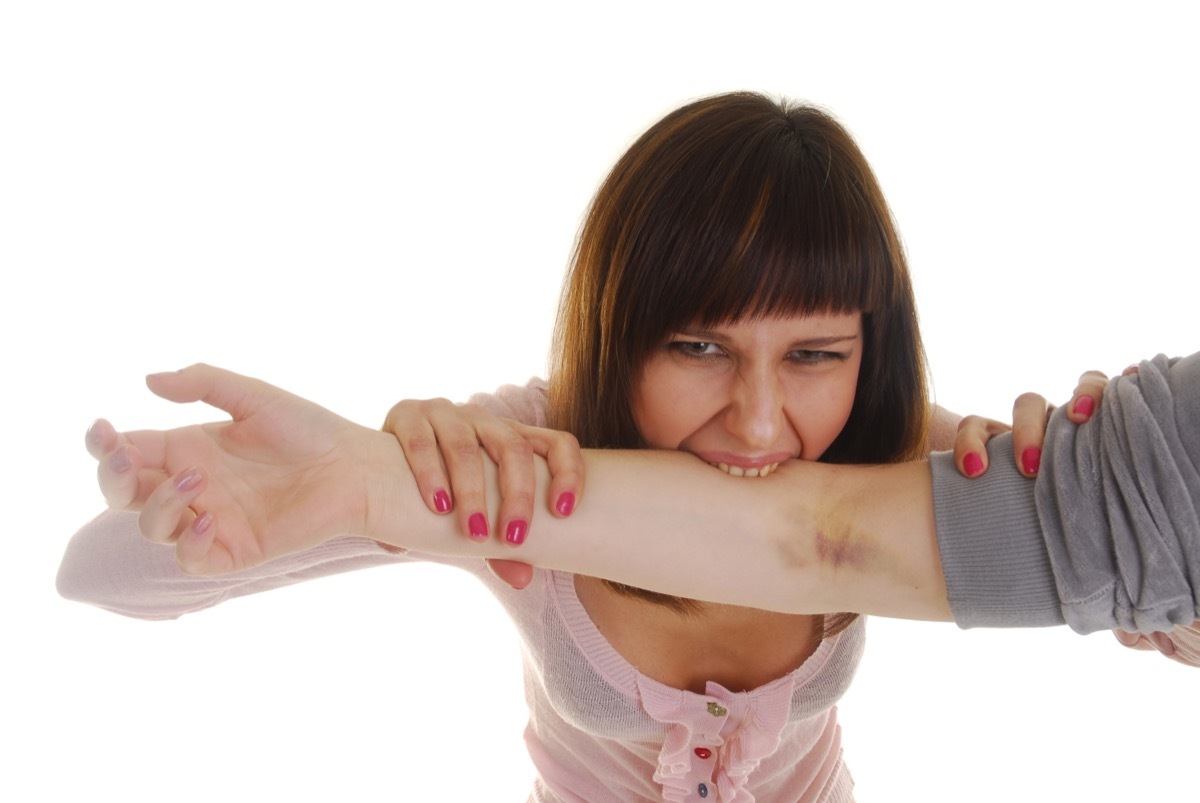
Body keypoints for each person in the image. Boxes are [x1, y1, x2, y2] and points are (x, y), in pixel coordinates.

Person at [56, 93, 1195, 801]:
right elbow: (92, 573)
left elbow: (1089, 537)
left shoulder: (885, 445)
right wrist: (211, 524)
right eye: (698, 344)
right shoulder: (528, 461)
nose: (757, 422)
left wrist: (1127, 538)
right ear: (618, 329)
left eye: (813, 354)